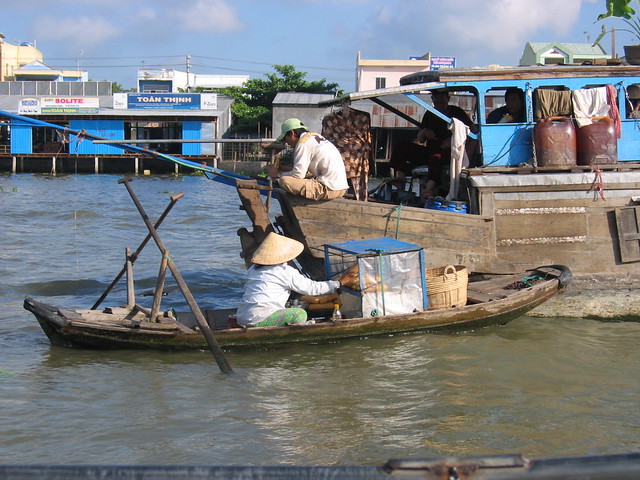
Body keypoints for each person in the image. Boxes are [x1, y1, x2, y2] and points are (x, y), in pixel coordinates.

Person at [235, 232, 341, 327]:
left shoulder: (253, 269)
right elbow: (312, 289)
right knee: (300, 314)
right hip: (258, 319)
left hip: (242, 317)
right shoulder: (284, 271)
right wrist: (337, 283)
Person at [269, 118, 349, 201]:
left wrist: (277, 175)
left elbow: (298, 175)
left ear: (292, 133)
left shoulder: (302, 143)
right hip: (340, 187)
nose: (287, 143)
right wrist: (282, 169)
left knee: (284, 181)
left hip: (329, 188)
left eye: (285, 139)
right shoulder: (315, 136)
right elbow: (305, 171)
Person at [417, 88, 477, 198]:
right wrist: (425, 132)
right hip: (430, 150)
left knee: (436, 157)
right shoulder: (430, 113)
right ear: (432, 100)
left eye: (442, 102)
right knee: (401, 147)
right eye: (436, 103)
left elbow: (473, 132)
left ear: (448, 99)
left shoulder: (457, 112)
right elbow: (420, 139)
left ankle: (428, 189)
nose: (439, 105)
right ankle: (399, 185)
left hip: (448, 153)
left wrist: (454, 140)